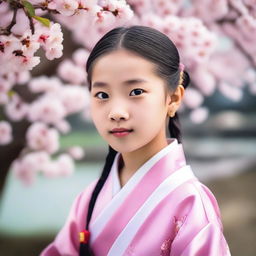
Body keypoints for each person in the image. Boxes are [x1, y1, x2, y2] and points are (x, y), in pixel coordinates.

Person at [41, 25, 231, 256]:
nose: (116, 112)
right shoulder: (90, 198)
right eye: (102, 95)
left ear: (173, 98)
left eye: (136, 92)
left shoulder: (190, 202)